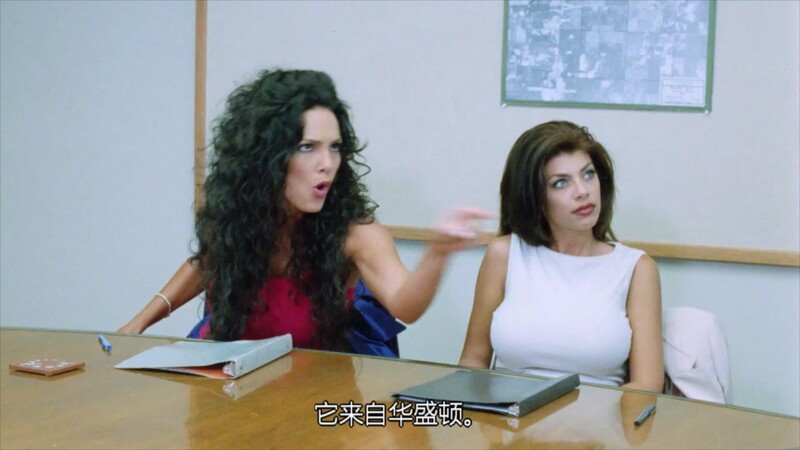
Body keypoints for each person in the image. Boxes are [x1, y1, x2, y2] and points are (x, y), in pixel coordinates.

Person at [119, 69, 488, 352]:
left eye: (335, 147)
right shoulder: (239, 214)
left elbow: (405, 305)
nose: (327, 164)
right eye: (308, 147)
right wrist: (138, 324)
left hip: (311, 399)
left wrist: (437, 253)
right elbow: (206, 262)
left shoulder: (356, 233)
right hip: (229, 386)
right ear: (266, 155)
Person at [458, 120, 664, 392]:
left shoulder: (636, 268)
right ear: (534, 198)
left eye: (588, 174)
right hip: (507, 414)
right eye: (561, 183)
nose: (582, 191)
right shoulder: (504, 254)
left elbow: (647, 384)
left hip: (599, 416)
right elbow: (473, 359)